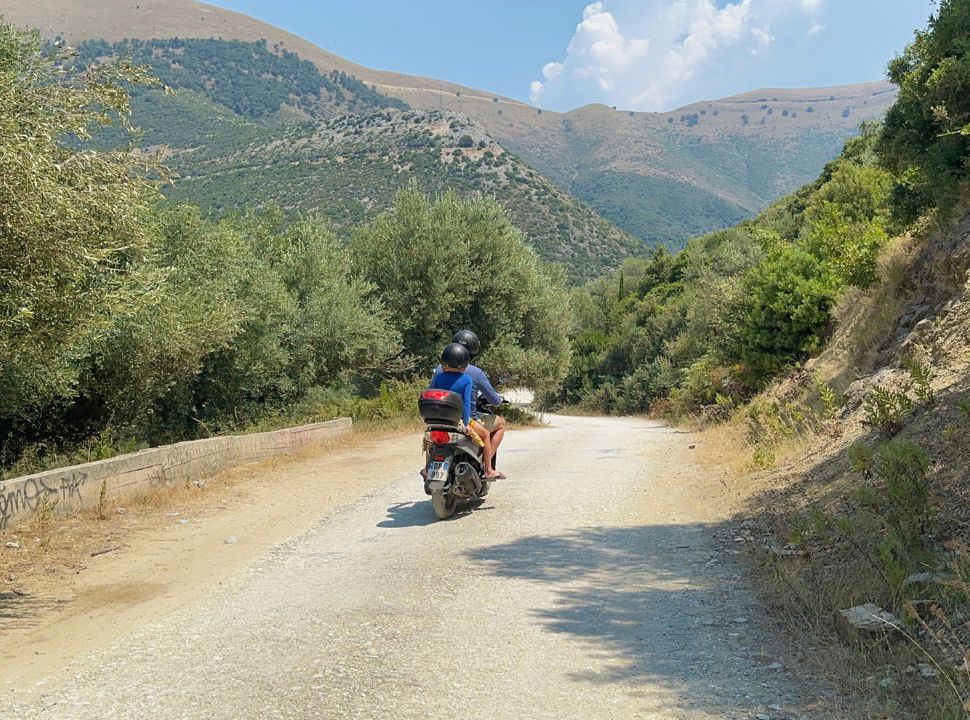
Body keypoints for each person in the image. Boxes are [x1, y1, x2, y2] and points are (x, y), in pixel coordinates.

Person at [433, 329, 507, 477]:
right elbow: (491, 400)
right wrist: (498, 400)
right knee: (501, 424)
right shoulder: (474, 373)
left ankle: (426, 468)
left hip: (441, 418)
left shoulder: (439, 370)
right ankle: (487, 467)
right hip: (467, 419)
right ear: (474, 349)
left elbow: (432, 392)